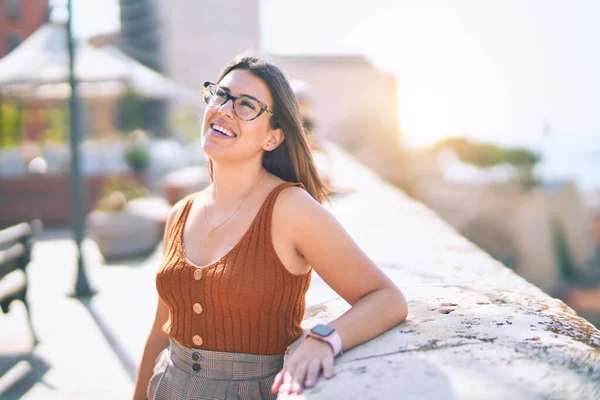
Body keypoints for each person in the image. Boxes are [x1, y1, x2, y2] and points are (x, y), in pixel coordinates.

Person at [132, 53, 408, 400]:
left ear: (273, 138)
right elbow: (161, 332)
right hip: (169, 386)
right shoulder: (180, 214)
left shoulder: (290, 210)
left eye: (247, 105)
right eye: (222, 95)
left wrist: (324, 338)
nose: (226, 109)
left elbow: (386, 299)